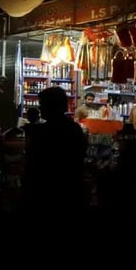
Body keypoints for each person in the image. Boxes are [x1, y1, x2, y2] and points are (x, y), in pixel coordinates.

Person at [23, 86, 88, 239]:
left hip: (46, 194)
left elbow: (34, 163)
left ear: (51, 106)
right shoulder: (74, 129)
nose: (39, 108)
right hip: (70, 192)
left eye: (42, 104)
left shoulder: (42, 132)